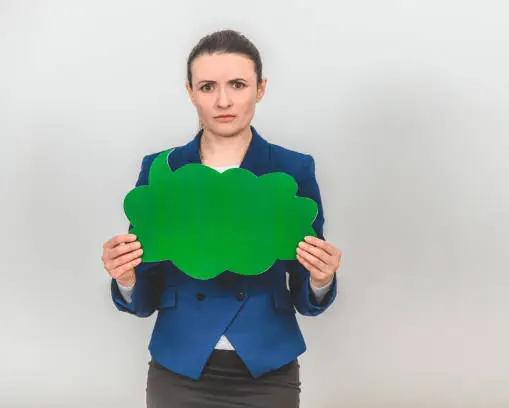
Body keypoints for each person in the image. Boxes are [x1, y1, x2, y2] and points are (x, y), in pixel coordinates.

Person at [100, 29, 342, 408]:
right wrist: (127, 279)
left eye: (238, 84)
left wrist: (321, 279)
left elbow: (305, 295)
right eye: (208, 86)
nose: (224, 100)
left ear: (260, 89)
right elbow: (143, 299)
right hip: (179, 365)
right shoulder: (161, 168)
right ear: (190, 91)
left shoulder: (292, 169)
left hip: (267, 367)